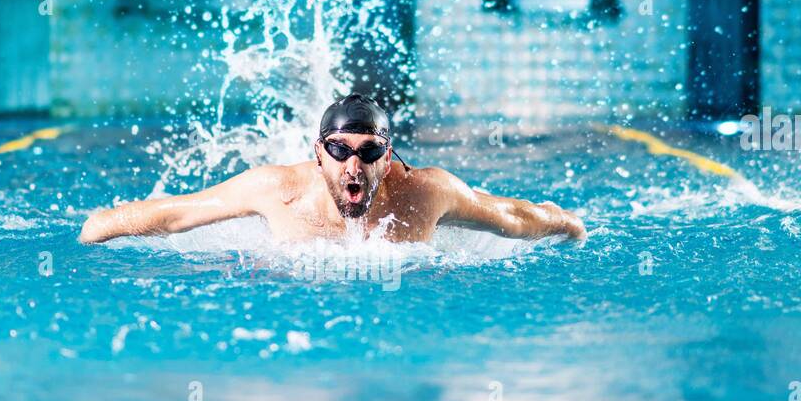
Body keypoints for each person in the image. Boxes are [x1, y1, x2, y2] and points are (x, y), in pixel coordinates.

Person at [79, 93, 586, 245]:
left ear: (388, 159)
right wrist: (101, 225)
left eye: (369, 152)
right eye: (340, 150)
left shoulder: (424, 194)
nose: (354, 164)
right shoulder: (278, 190)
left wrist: (564, 223)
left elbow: (513, 218)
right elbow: (175, 215)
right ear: (317, 154)